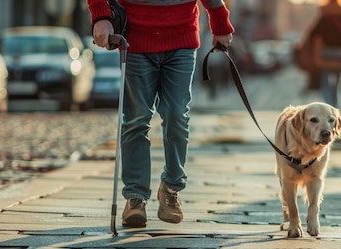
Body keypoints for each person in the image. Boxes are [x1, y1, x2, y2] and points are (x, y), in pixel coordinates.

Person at [87, 0, 234, 228]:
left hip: (181, 39)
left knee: (177, 115)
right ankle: (135, 197)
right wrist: (100, 16)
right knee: (136, 120)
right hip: (135, 40)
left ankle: (171, 188)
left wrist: (220, 21)